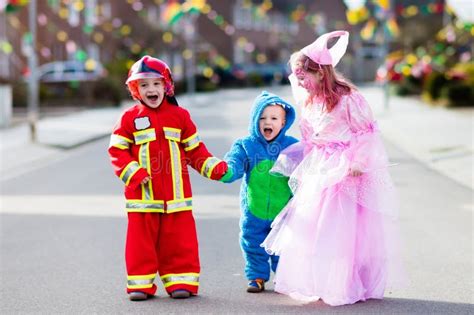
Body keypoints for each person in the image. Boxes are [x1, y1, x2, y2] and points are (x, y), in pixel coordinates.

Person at [261, 31, 405, 306]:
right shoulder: (311, 100)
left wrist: (358, 162)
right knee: (316, 226)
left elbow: (365, 132)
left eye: (304, 76)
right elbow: (310, 133)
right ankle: (321, 279)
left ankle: (346, 282)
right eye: (298, 77)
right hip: (321, 167)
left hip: (345, 167)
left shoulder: (348, 97)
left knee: (342, 227)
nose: (300, 82)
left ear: (320, 72)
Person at [108, 55, 228, 301]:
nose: (151, 89)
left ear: (166, 86)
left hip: (177, 197)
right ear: (135, 90)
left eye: (156, 84)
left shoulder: (180, 116)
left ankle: (181, 281)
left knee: (180, 241)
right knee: (141, 243)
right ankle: (140, 284)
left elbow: (195, 150)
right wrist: (134, 172)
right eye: (144, 85)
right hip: (142, 198)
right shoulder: (128, 118)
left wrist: (214, 167)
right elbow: (117, 150)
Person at [220, 91, 298, 293]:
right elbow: (234, 162)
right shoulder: (246, 146)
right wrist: (226, 171)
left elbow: (305, 168)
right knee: (253, 243)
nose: (267, 122)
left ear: (283, 123)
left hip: (283, 212)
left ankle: (284, 277)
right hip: (254, 210)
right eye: (262, 118)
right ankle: (256, 276)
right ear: (255, 120)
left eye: (274, 118)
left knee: (283, 245)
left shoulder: (292, 146)